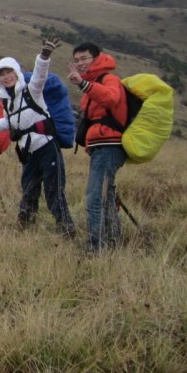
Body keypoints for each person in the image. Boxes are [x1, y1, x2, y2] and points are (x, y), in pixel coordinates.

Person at [0, 37, 76, 237]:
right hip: (28, 153)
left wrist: (44, 56)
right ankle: (25, 229)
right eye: (2, 74)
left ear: (16, 73)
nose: (6, 77)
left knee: (54, 192)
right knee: (29, 191)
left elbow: (40, 76)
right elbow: (8, 121)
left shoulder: (31, 91)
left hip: (47, 147)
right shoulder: (8, 102)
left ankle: (66, 230)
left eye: (9, 72)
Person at [67, 42, 129, 252]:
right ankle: (112, 241)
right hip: (101, 147)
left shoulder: (109, 79)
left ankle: (97, 247)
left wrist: (83, 84)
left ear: (97, 58)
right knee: (106, 197)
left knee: (94, 198)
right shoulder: (93, 83)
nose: (80, 63)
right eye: (76, 60)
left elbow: (111, 98)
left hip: (108, 146)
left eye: (84, 58)